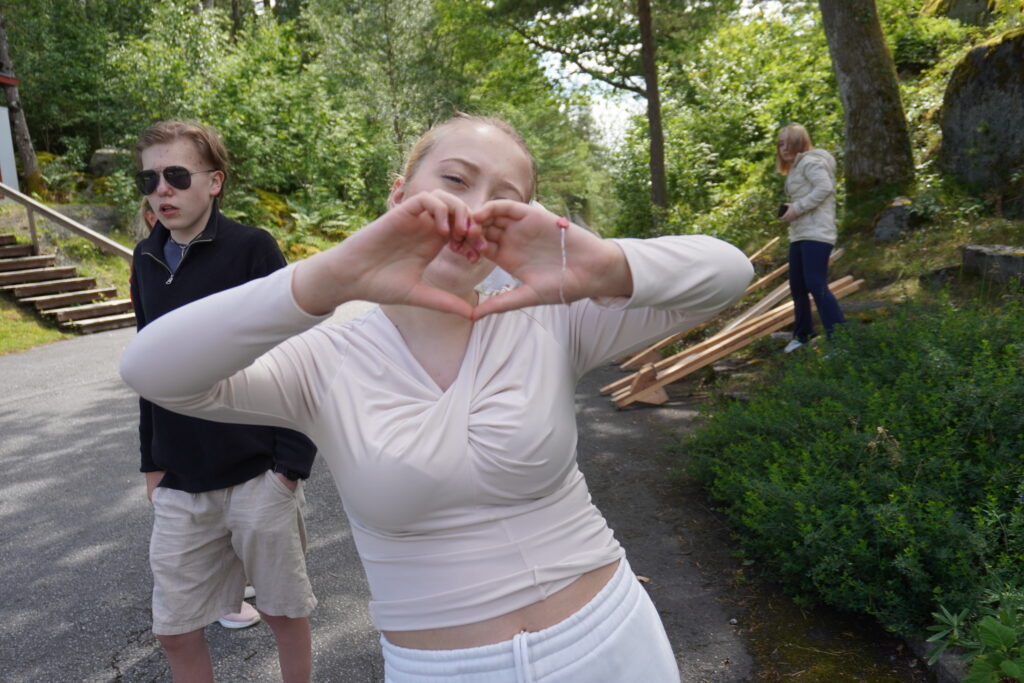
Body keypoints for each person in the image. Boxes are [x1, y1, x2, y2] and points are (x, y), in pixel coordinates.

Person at [121, 113, 754, 682]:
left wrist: (604, 264)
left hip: (613, 643)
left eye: (506, 201)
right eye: (455, 179)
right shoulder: (324, 357)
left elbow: (728, 273)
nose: (475, 211)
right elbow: (152, 368)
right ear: (399, 194)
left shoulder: (551, 317)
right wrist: (327, 278)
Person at [128, 120, 317, 681]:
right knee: (175, 630)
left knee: (284, 615)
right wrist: (153, 464)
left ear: (214, 182)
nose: (162, 189)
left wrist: (290, 467)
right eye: (149, 179)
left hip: (260, 473)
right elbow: (148, 367)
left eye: (176, 175)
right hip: (182, 481)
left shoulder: (251, 248)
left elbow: (298, 355)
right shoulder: (145, 258)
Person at [776, 123, 846, 353]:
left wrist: (796, 208)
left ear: (800, 143)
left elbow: (825, 188)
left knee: (816, 283)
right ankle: (803, 334)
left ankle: (841, 340)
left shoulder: (811, 162)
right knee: (797, 286)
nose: (784, 148)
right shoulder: (796, 168)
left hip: (817, 233)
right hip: (799, 234)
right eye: (780, 144)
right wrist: (791, 210)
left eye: (788, 143)